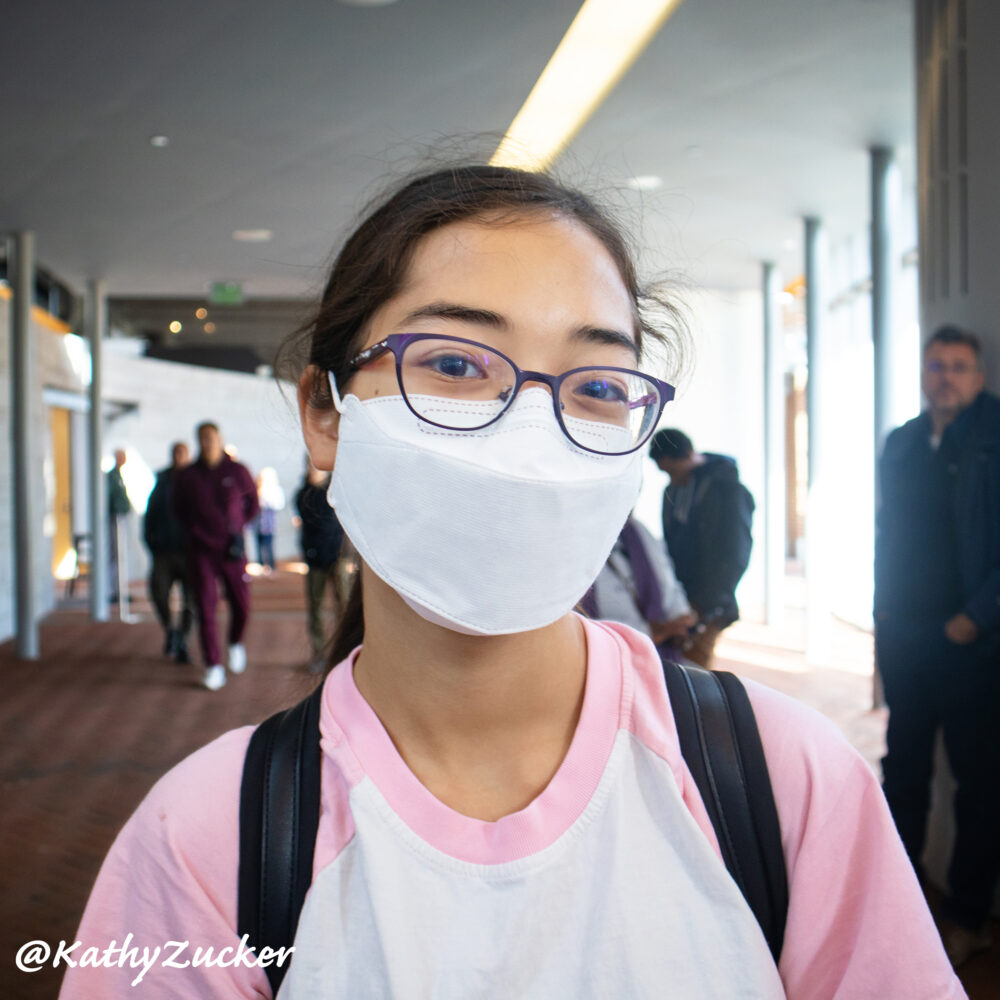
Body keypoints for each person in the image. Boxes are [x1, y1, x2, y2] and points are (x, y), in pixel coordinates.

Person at [61, 165, 963, 999]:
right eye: (455, 364)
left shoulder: (785, 782)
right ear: (325, 416)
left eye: (598, 384)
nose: (533, 436)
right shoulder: (213, 838)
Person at [875, 324, 1000, 968]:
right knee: (904, 772)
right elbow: (886, 535)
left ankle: (969, 916)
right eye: (935, 366)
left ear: (978, 377)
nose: (945, 376)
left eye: (959, 366)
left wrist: (975, 618)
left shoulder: (993, 436)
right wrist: (883, 616)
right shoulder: (900, 442)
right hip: (905, 636)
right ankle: (898, 902)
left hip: (970, 647)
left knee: (979, 784)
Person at [649, 428, 754, 668]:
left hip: (708, 605)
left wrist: (705, 605)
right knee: (677, 668)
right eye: (664, 472)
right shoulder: (672, 490)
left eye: (673, 470)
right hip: (681, 600)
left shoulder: (726, 489)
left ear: (688, 455)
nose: (671, 478)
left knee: (695, 673)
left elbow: (735, 554)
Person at [172, 422, 259, 691]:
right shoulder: (188, 477)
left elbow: (253, 504)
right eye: (204, 438)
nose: (209, 443)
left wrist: (237, 527)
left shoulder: (238, 471)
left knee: (242, 605)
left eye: (212, 438)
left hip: (232, 551)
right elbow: (178, 510)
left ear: (220, 439)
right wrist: (196, 532)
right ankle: (213, 665)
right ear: (198, 441)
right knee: (206, 608)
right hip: (202, 553)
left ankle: (235, 642)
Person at [582, 513, 695, 653]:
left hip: (663, 649)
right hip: (611, 653)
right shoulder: (578, 539)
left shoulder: (638, 530)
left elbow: (670, 584)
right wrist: (650, 632)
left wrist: (681, 617)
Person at [142, 441, 193, 663]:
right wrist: (151, 542)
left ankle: (183, 640)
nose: (179, 456)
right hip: (164, 551)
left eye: (182, 452)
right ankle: (171, 631)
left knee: (192, 602)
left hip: (191, 553)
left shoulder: (196, 480)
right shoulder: (162, 481)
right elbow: (150, 513)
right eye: (175, 452)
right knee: (158, 592)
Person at [295, 460, 347, 672]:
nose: (311, 471)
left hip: (338, 558)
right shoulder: (302, 495)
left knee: (344, 607)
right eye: (308, 467)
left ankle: (345, 652)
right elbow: (316, 523)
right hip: (315, 558)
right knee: (315, 608)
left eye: (314, 467)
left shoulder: (339, 491)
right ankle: (318, 653)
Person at [106, 448, 132, 603]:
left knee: (120, 555)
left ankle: (120, 589)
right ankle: (115, 591)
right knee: (115, 556)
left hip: (121, 519)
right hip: (115, 519)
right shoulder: (112, 477)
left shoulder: (118, 475)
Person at [254, 467, 286, 573]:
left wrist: (266, 503)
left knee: (268, 544)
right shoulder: (256, 489)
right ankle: (261, 564)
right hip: (258, 523)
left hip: (269, 523)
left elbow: (279, 504)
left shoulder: (275, 490)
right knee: (258, 544)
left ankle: (270, 565)